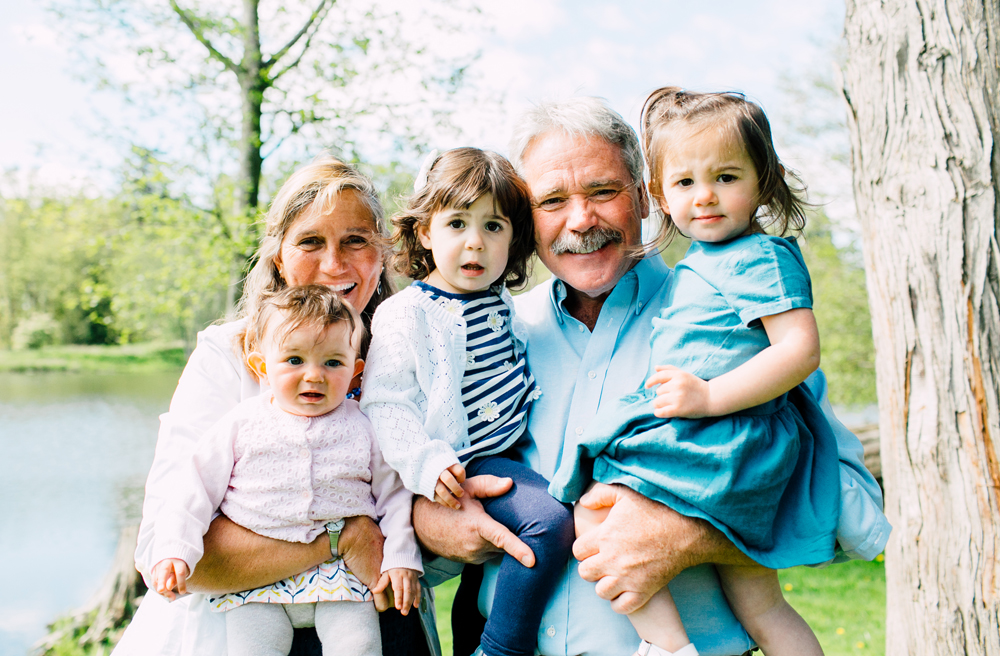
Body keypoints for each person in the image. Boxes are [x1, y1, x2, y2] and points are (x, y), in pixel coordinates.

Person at [413, 97, 892, 656]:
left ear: (645, 196)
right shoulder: (494, 333)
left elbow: (854, 506)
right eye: (552, 200)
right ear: (527, 218)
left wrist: (689, 534)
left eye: (602, 191)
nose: (580, 220)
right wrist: (433, 525)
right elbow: (425, 481)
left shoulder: (732, 321)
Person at [549, 87, 838, 656]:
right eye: (685, 183)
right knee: (762, 605)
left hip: (724, 436)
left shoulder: (762, 256)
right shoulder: (705, 261)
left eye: (726, 177)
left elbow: (799, 351)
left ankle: (669, 646)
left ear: (765, 180)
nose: (705, 197)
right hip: (718, 433)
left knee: (593, 506)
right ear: (660, 193)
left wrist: (708, 398)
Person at [115, 157, 437, 656]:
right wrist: (339, 540)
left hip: (377, 629)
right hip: (230, 631)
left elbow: (431, 526)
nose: (334, 265)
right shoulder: (229, 355)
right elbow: (168, 545)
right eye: (311, 242)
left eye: (356, 240)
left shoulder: (413, 356)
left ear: (383, 253)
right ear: (279, 257)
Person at [361, 147, 575, 656]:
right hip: (463, 460)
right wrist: (428, 463)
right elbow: (386, 404)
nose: (475, 243)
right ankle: (503, 648)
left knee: (483, 578)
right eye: (457, 223)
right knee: (550, 520)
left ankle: (475, 640)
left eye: (494, 227)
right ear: (424, 233)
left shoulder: (498, 301)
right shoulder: (406, 313)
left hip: (511, 449)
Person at [147, 285, 422, 656]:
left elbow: (394, 496)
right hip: (256, 582)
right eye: (295, 360)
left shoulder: (365, 427)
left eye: (332, 363)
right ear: (262, 366)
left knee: (360, 645)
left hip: (340, 575)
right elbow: (193, 489)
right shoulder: (241, 423)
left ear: (356, 371)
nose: (314, 375)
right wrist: (175, 550)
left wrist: (401, 557)